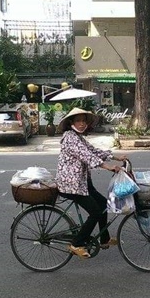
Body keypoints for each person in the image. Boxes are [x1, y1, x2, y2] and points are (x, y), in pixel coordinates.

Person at [55, 108, 128, 259]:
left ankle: (104, 239)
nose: (82, 124)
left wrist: (115, 157)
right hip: (71, 185)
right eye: (78, 121)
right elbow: (87, 156)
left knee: (103, 205)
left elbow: (94, 151)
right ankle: (76, 244)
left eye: (84, 121)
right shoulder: (69, 137)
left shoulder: (78, 137)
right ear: (71, 122)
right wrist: (108, 167)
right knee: (95, 212)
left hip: (82, 182)